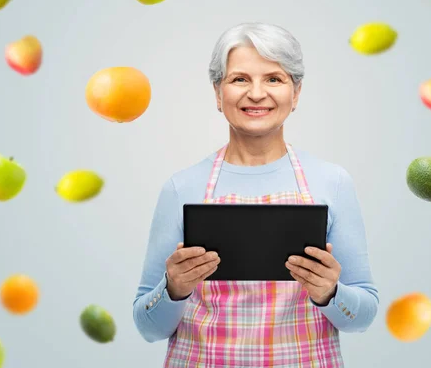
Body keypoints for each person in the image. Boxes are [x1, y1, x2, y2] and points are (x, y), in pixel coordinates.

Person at [133, 22, 379, 368]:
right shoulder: (181, 188)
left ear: (296, 93)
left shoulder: (333, 182)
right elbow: (147, 328)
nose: (257, 93)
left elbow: (363, 316)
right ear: (218, 94)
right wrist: (174, 287)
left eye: (274, 79)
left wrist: (330, 293)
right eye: (240, 79)